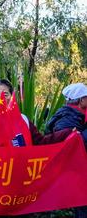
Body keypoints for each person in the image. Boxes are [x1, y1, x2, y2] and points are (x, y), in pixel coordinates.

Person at [0, 79, 71, 146]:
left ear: (11, 96)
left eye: (5, 94)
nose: (0, 98)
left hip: (20, 171)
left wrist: (68, 133)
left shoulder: (23, 119)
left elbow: (40, 142)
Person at [46, 83, 87, 218]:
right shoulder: (66, 119)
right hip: (77, 174)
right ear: (81, 100)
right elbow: (72, 143)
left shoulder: (77, 115)